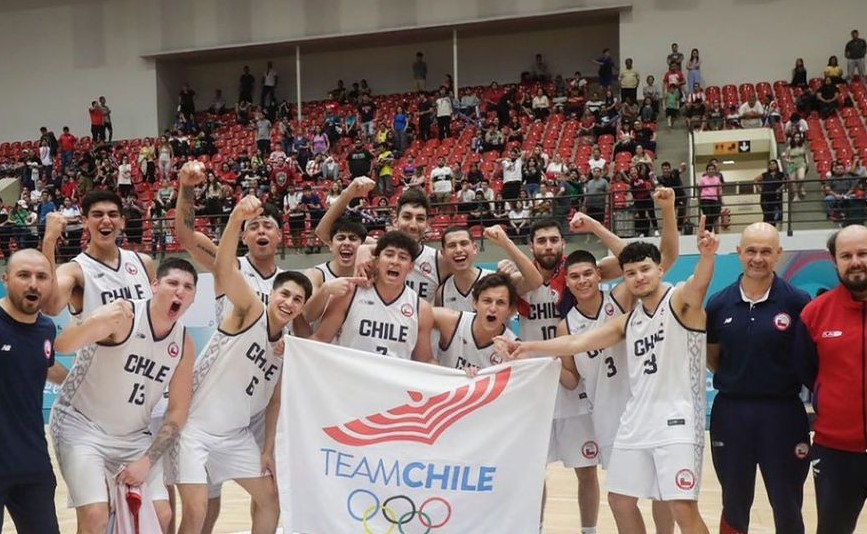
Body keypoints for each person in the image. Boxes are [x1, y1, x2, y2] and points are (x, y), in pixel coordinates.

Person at [496, 218, 719, 534]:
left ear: (658, 270)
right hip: (631, 418)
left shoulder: (676, 299)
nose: (638, 277)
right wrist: (524, 347)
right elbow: (576, 343)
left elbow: (698, 283)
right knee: (620, 501)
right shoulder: (627, 321)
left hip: (675, 418)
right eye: (631, 273)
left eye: (644, 270)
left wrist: (707, 256)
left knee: (679, 505)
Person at [171, 197, 311, 534]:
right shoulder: (247, 297)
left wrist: (268, 448)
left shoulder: (286, 339)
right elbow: (203, 251)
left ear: (281, 237)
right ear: (245, 236)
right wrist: (234, 216)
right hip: (201, 416)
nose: (289, 302)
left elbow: (277, 398)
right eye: (254, 226)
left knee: (269, 497)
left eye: (269, 225)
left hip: (243, 422)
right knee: (202, 508)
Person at [49, 258, 198, 533]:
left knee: (162, 515)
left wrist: (147, 461)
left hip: (133, 436)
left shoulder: (184, 343)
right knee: (96, 515)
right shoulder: (123, 316)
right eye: (172, 283)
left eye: (188, 287)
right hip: (82, 424)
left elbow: (178, 411)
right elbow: (63, 345)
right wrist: (93, 322)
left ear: (192, 299)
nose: (180, 291)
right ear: (154, 285)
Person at [704, 222, 812, 534]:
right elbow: (714, 358)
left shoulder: (797, 301)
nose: (758, 258)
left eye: (766, 251)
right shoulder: (719, 303)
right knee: (734, 500)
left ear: (778, 254)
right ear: (739, 253)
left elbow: (807, 357)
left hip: (784, 414)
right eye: (751, 250)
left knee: (787, 500)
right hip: (731, 414)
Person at [794, 225, 867, 534]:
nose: (855, 261)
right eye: (846, 255)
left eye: (863, 253)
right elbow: (806, 370)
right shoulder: (815, 313)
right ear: (834, 260)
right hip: (836, 451)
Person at [0, 250, 65, 534]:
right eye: (23, 275)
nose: (33, 284)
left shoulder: (46, 329)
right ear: (6, 279)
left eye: (41, 277)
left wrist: (86, 381)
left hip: (32, 460)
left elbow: (47, 366)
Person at [317, 180, 459, 303]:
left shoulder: (439, 261)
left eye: (420, 219)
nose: (413, 225)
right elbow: (323, 232)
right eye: (407, 217)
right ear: (396, 220)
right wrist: (348, 194)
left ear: (427, 224)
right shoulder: (374, 248)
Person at [312, 230, 435, 362]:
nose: (395, 261)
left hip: (393, 381)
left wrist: (457, 376)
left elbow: (425, 360)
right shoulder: (349, 295)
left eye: (403, 257)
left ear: (410, 268)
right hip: (352, 379)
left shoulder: (421, 309)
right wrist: (290, 349)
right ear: (377, 262)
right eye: (389, 254)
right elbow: (320, 340)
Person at [435, 225, 542, 312]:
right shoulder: (442, 292)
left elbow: (535, 281)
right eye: (452, 245)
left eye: (464, 243)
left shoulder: (497, 279)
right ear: (443, 254)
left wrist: (506, 243)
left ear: (475, 248)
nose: (458, 249)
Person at [433, 272, 519, 370]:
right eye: (487, 301)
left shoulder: (514, 348)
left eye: (500, 303)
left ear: (510, 310)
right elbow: (419, 311)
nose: (493, 308)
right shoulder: (452, 322)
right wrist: (429, 360)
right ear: (475, 303)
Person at [301, 218, 368, 328]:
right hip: (323, 343)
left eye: (353, 238)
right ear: (331, 245)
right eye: (341, 238)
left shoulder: (369, 276)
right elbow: (308, 315)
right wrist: (325, 290)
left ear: (363, 247)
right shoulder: (315, 274)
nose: (346, 243)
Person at [754, 160, 787, 226]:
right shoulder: (765, 174)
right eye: (770, 164)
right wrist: (759, 188)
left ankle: (771, 229)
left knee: (773, 214)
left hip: (775, 196)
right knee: (766, 214)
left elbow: (785, 183)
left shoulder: (781, 174)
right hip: (765, 196)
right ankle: (766, 228)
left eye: (773, 164)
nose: (772, 165)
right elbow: (755, 179)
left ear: (777, 165)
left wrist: (780, 189)